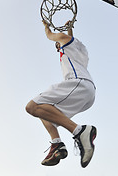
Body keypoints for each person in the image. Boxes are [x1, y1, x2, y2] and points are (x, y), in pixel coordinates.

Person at [26, 20, 97, 168]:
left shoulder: (66, 42)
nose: (56, 46)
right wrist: (70, 29)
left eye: (59, 42)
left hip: (78, 84)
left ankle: (80, 131)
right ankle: (57, 145)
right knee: (45, 111)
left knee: (32, 106)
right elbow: (71, 40)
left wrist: (47, 27)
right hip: (87, 92)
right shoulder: (79, 52)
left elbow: (51, 36)